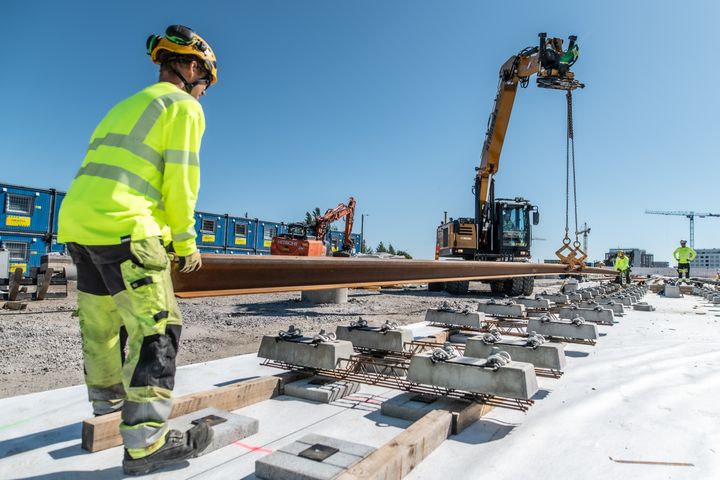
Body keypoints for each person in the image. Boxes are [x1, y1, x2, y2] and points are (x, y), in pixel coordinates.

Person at [57, 24, 218, 476]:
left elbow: (126, 171)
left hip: (78, 224)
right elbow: (180, 181)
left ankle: (107, 409)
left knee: (103, 323)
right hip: (127, 228)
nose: (203, 92)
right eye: (204, 82)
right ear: (190, 68)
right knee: (157, 330)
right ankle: (146, 446)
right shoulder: (183, 106)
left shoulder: (127, 104)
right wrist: (184, 242)